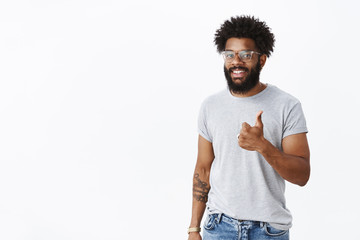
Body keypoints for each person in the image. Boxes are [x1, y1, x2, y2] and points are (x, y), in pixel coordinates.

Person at [187, 15, 310, 240]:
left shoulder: (287, 105)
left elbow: (302, 175)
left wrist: (263, 146)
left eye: (245, 55)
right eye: (229, 54)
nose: (236, 61)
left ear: (261, 60)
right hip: (218, 227)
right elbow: (203, 169)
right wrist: (194, 228)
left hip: (269, 231)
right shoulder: (210, 106)